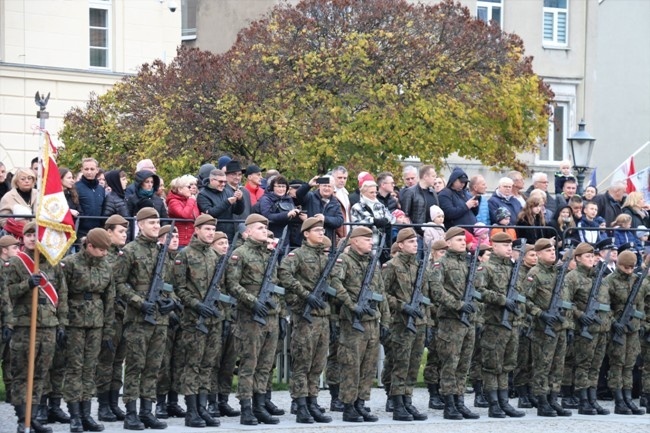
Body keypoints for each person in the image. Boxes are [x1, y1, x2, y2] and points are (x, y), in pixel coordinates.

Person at [115, 208, 176, 430]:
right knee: (135, 365)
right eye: (151, 222)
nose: (155, 225)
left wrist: (172, 301)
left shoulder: (163, 252)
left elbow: (169, 284)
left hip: (160, 318)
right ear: (139, 224)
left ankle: (147, 411)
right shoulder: (129, 251)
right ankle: (131, 412)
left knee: (153, 366)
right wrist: (138, 301)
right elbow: (119, 283)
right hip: (138, 318)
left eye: (157, 221)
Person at [6, 222, 67, 433]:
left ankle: (33, 418)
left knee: (41, 373)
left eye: (36, 234)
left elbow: (62, 295)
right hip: (24, 325)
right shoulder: (15, 263)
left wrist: (62, 323)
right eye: (29, 235)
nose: (33, 238)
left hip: (48, 325)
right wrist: (27, 285)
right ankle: (22, 419)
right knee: (23, 373)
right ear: (23, 238)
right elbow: (6, 293)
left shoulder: (52, 262)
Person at [225, 214, 283, 425]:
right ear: (248, 231)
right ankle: (246, 408)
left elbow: (276, 285)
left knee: (265, 365)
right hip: (250, 316)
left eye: (266, 228)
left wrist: (277, 310)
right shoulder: (239, 254)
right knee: (249, 364)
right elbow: (232, 284)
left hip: (270, 315)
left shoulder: (269, 254)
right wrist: (252, 301)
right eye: (259, 228)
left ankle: (260, 405)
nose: (264, 231)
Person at [329, 226, 390, 422]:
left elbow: (382, 293)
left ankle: (361, 403)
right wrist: (351, 304)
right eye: (366, 239)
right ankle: (348, 405)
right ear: (354, 241)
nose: (370, 242)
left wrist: (385, 320)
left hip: (372, 320)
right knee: (351, 365)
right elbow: (335, 284)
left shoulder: (372, 263)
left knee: (368, 366)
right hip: (353, 323)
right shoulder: (344, 261)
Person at [278, 217, 333, 424]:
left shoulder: (325, 258)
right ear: (306, 233)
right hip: (305, 316)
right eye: (317, 231)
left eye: (322, 230)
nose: (322, 233)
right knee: (302, 362)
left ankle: (312, 402)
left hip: (323, 316)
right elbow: (284, 273)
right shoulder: (297, 255)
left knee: (318, 364)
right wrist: (304, 294)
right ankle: (300, 404)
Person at [60, 228, 115, 433]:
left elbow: (110, 299)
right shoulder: (71, 264)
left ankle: (86, 414)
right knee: (75, 368)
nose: (104, 254)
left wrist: (108, 331)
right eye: (100, 250)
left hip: (97, 322)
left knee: (90, 368)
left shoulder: (106, 266)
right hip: (74, 321)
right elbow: (62, 295)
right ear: (89, 246)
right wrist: (62, 324)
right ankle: (75, 415)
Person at [174, 214, 225, 428]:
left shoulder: (214, 255)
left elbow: (220, 286)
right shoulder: (185, 255)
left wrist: (216, 308)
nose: (210, 233)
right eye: (206, 229)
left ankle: (202, 408)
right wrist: (196, 304)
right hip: (193, 319)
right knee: (192, 364)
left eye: (213, 229)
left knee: (208, 364)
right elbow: (179, 287)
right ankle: (191, 410)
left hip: (212, 318)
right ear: (196, 230)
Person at [431, 226, 481, 420]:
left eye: (464, 240)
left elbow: (478, 288)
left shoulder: (468, 263)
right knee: (450, 363)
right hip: (451, 320)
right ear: (448, 242)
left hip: (468, 321)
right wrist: (458, 305)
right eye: (459, 240)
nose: (463, 242)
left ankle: (460, 401)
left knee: (464, 364)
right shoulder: (440, 264)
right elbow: (436, 291)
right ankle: (449, 403)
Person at [383, 228, 432, 421]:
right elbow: (384, 294)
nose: (415, 244)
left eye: (416, 241)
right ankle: (397, 403)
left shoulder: (419, 266)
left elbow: (425, 296)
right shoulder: (391, 266)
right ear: (400, 245)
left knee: (413, 364)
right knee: (400, 364)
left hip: (419, 321)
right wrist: (403, 306)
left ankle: (407, 400)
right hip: (400, 322)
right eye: (410, 242)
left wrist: (426, 320)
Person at [475, 232, 526, 418]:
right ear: (494, 246)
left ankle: (504, 402)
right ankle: (494, 403)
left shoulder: (513, 269)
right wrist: (502, 300)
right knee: (492, 365)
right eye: (504, 245)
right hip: (494, 323)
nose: (508, 248)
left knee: (507, 364)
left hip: (511, 323)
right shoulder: (486, 268)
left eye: (510, 245)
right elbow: (479, 291)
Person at [525, 238, 573, 417]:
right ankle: (542, 401)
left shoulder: (558, 273)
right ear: (538, 254)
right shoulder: (534, 273)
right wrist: (540, 313)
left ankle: (554, 399)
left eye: (553, 250)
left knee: (557, 366)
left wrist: (566, 324)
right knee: (542, 366)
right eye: (547, 250)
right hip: (542, 327)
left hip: (559, 326)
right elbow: (525, 300)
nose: (552, 252)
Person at [564, 242, 611, 416]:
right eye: (587, 256)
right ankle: (583, 399)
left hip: (600, 328)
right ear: (577, 258)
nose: (591, 259)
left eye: (593, 256)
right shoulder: (572, 277)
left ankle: (592, 399)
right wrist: (579, 314)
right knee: (583, 365)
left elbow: (606, 303)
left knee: (595, 366)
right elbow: (567, 302)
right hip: (584, 329)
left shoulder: (599, 278)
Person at [95, 215, 129, 423]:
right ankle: (103, 405)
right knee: (106, 362)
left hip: (123, 315)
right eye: (120, 231)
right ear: (108, 232)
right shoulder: (104, 257)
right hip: (109, 316)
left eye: (126, 231)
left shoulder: (122, 255)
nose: (124, 235)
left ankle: (114, 403)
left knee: (118, 361)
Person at [604, 250, 646, 415]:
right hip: (618, 329)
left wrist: (639, 321)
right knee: (617, 364)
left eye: (631, 267)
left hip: (633, 328)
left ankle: (628, 398)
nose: (629, 270)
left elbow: (640, 304)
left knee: (629, 365)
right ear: (619, 265)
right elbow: (605, 307)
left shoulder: (637, 280)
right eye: (625, 267)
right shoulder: (609, 281)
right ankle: (619, 399)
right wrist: (615, 323)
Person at [197, 169, 244, 242]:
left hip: (229, 234)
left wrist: (240, 200)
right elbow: (210, 213)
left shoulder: (227, 192)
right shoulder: (202, 194)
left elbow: (238, 211)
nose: (223, 184)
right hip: (213, 235)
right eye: (220, 181)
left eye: (225, 182)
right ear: (212, 180)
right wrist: (227, 202)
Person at [258, 175, 304, 249]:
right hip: (270, 235)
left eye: (283, 186)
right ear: (273, 187)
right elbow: (267, 216)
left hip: (286, 236)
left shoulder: (288, 199)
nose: (281, 189)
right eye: (279, 186)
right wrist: (287, 215)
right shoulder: (265, 199)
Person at [0, 234, 20, 403]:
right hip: (4, 317)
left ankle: (10, 393)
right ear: (4, 250)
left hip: (10, 318)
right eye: (14, 248)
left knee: (10, 358)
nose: (18, 250)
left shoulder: (13, 266)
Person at [295, 175, 344, 242]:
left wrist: (325, 219)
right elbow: (299, 194)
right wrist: (309, 185)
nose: (327, 188)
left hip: (325, 241)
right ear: (319, 186)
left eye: (329, 186)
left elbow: (339, 220)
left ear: (333, 189)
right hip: (308, 239)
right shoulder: (310, 196)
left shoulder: (335, 203)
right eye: (324, 185)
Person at [350, 180, 395, 251]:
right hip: (365, 243)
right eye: (371, 192)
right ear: (363, 193)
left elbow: (392, 217)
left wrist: (386, 220)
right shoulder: (357, 207)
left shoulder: (380, 205)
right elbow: (356, 225)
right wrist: (373, 221)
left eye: (376, 192)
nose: (374, 194)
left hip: (383, 243)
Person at [400, 165, 439, 234]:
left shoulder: (433, 192)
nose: (435, 179)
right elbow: (405, 215)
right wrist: (413, 232)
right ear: (425, 177)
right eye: (433, 176)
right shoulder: (410, 192)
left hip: (433, 233)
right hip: (416, 233)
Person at [0, 168, 37, 237]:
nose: (27, 181)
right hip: (15, 236)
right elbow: (3, 220)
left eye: (29, 178)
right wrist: (16, 229)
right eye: (23, 179)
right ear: (16, 181)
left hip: (38, 234)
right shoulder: (8, 197)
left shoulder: (39, 194)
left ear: (33, 180)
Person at [166, 176, 200, 248]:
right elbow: (184, 215)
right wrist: (191, 201)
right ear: (180, 189)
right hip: (180, 242)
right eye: (189, 187)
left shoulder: (190, 200)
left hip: (192, 241)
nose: (191, 189)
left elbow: (197, 217)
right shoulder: (173, 202)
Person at [76, 158, 105, 237]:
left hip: (98, 231)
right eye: (86, 169)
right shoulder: (75, 188)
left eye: (92, 169)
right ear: (82, 170)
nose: (89, 172)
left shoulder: (101, 189)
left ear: (97, 170)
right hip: (81, 231)